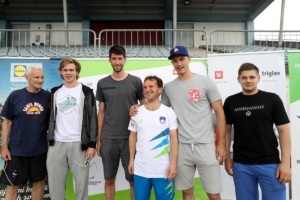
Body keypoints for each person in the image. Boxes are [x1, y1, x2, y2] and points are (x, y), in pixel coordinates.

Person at [130, 45, 227, 200]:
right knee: (186, 192)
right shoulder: (169, 88)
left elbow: (220, 113)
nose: (179, 63)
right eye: (175, 61)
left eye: (182, 59)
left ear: (189, 59)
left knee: (214, 194)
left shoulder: (206, 82)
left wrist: (221, 143)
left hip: (206, 145)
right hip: (182, 147)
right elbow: (157, 109)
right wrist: (137, 107)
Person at [223, 63, 291, 200]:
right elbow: (226, 131)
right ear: (238, 79)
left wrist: (285, 163)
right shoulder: (231, 102)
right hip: (241, 164)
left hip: (270, 163)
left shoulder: (272, 99)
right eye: (244, 77)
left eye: (252, 77)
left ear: (258, 78)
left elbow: (284, 130)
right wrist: (227, 160)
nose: (248, 80)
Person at [96, 45, 144, 200]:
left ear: (125, 59)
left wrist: (138, 106)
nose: (117, 62)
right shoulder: (102, 83)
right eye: (114, 59)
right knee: (109, 179)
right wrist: (98, 139)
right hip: (108, 138)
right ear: (109, 60)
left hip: (130, 138)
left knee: (132, 180)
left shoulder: (135, 82)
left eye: (120, 58)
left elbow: (145, 106)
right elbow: (101, 112)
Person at [47, 58, 97, 200]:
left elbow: (93, 118)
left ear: (77, 72)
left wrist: (92, 144)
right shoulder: (54, 92)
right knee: (55, 185)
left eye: (71, 70)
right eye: (65, 70)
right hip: (56, 144)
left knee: (81, 186)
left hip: (79, 144)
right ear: (61, 72)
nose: (68, 73)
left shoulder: (86, 92)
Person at [0, 65, 50, 200]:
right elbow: (7, 123)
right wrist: (4, 148)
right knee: (12, 186)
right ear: (27, 78)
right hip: (16, 151)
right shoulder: (15, 96)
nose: (40, 80)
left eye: (42, 77)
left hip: (39, 151)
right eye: (36, 77)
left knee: (39, 184)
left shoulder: (48, 97)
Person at [128, 76, 178, 200]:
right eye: (145, 87)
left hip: (163, 170)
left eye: (151, 86)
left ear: (160, 89)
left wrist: (173, 164)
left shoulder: (169, 112)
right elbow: (132, 136)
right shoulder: (136, 112)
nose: (147, 90)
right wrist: (131, 159)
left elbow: (174, 139)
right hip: (141, 170)